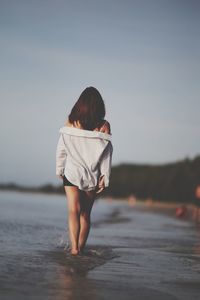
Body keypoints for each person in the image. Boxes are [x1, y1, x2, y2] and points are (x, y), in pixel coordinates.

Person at [56, 86, 113, 255]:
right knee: (85, 214)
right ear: (99, 106)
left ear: (80, 104)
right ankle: (80, 248)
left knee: (73, 210)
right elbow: (107, 151)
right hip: (92, 175)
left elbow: (61, 147)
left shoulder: (71, 122)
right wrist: (105, 176)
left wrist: (59, 168)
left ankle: (74, 249)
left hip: (72, 173)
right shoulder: (103, 125)